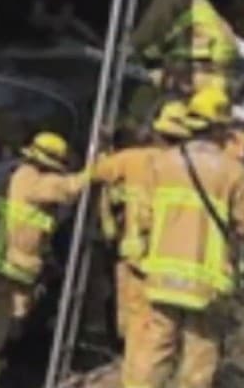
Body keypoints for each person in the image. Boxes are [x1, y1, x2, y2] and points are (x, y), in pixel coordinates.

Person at [119, 86, 244, 388]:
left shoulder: (160, 165)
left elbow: (142, 219)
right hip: (206, 285)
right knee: (198, 363)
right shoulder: (233, 172)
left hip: (161, 279)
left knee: (153, 355)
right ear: (223, 128)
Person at [0, 132, 89, 387]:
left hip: (11, 270)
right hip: (5, 270)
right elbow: (65, 190)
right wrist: (95, 171)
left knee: (3, 326)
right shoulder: (29, 179)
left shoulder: (21, 177)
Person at [91, 101, 194, 343]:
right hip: (173, 261)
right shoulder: (190, 171)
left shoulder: (131, 159)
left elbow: (93, 175)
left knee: (133, 320)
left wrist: (103, 152)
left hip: (133, 253)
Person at [128, 0, 239, 97]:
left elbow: (151, 26)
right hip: (218, 56)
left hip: (205, 58)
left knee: (156, 95)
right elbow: (169, 36)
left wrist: (130, 48)